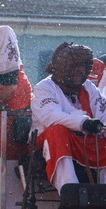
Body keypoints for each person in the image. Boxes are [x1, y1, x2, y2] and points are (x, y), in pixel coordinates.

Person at [31, 43, 106, 192]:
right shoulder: (43, 88)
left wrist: (96, 126)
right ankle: (69, 189)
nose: (80, 70)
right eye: (75, 65)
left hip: (85, 143)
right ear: (60, 67)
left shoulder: (89, 88)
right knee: (57, 131)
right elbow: (51, 117)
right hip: (47, 146)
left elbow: (102, 117)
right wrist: (84, 122)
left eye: (84, 66)